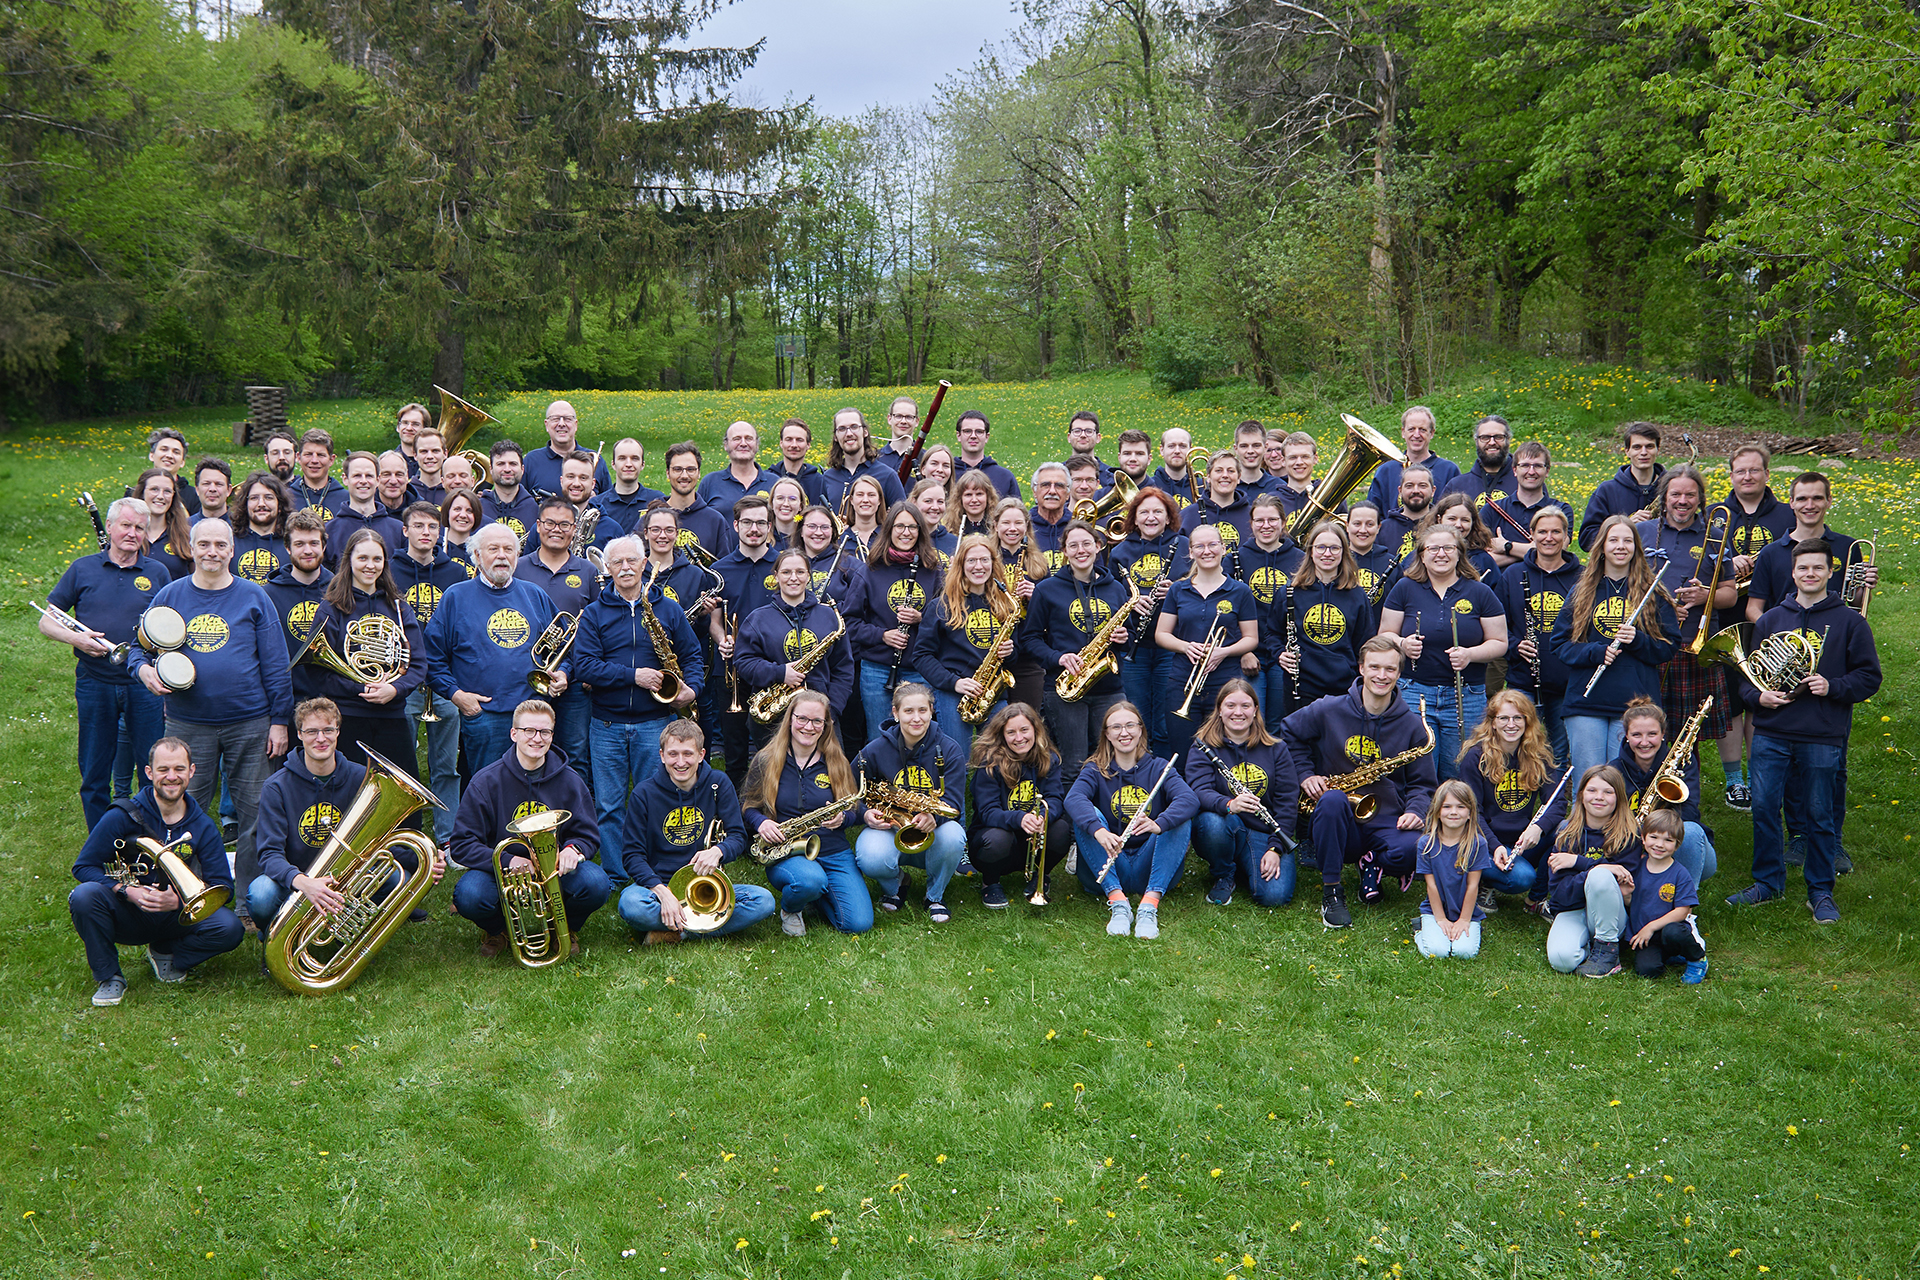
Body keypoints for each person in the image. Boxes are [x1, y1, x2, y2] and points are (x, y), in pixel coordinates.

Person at [126, 519, 292, 926]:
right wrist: (143, 671)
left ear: (232, 550)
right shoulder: (171, 595)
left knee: (256, 814)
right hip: (188, 724)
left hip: (250, 722)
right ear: (193, 548)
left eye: (220, 544)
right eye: (204, 544)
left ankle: (249, 904)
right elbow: (137, 648)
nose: (212, 551)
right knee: (181, 812)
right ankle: (191, 898)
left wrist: (280, 720)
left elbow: (276, 663)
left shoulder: (254, 596)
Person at [1724, 540, 1880, 921]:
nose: (1810, 574)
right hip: (1771, 731)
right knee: (1764, 807)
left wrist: (1833, 686)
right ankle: (1768, 882)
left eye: (1817, 568)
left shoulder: (1850, 622)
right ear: (1792, 573)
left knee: (1819, 813)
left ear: (1830, 572)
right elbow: (1748, 679)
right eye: (1803, 568)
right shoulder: (1770, 620)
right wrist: (1759, 698)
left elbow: (1869, 677)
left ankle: (1820, 891)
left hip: (1822, 733)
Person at [251, 697, 445, 944]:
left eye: (327, 730)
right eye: (311, 731)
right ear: (299, 734)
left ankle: (351, 933)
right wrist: (304, 883)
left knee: (399, 879)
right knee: (261, 894)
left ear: (338, 731)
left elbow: (381, 842)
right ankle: (275, 934)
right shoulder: (276, 786)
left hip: (348, 878)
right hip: (299, 880)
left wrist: (425, 860)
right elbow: (269, 854)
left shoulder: (363, 778)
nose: (320, 738)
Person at [68, 737, 243, 1005]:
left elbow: (223, 887)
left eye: (179, 769)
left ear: (191, 771)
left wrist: (179, 902)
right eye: (163, 769)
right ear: (149, 772)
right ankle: (109, 977)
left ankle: (168, 952)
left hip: (176, 916)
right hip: (130, 912)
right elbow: (83, 866)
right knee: (84, 896)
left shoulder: (203, 825)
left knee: (230, 928)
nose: (171, 777)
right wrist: (126, 891)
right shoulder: (122, 816)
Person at [1282, 637, 1438, 928]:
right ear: (1361, 668)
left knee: (1415, 848)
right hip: (1337, 818)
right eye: (1375, 667)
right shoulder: (1329, 708)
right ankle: (1332, 891)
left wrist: (1416, 810)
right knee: (1331, 800)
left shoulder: (1411, 725)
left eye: (1390, 669)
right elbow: (1289, 733)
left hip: (1387, 818)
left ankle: (1372, 862)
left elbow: (1423, 783)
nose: (1382, 675)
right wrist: (1306, 774)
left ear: (1399, 673)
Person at [575, 534, 703, 883]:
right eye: (617, 562)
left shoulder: (669, 609)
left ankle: (656, 871)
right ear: (607, 568)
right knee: (609, 805)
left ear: (645, 563)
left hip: (656, 723)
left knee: (657, 801)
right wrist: (634, 676)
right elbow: (584, 666)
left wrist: (692, 689)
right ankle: (616, 875)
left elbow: (692, 655)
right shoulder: (594, 613)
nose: (626, 568)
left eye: (632, 560)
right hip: (606, 724)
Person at [42, 495, 170, 830]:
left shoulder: (158, 572)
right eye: (126, 525)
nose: (132, 533)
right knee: (94, 769)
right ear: (109, 527)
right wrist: (77, 639)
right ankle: (101, 840)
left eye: (139, 528)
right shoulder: (82, 568)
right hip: (94, 682)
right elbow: (46, 621)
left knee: (151, 767)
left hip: (143, 684)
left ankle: (148, 837)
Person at [449, 698, 608, 958]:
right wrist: (508, 860)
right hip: (502, 871)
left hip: (555, 868)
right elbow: (462, 844)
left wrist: (574, 849)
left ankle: (564, 927)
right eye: (529, 731)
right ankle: (497, 930)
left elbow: (588, 834)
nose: (537, 738)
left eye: (544, 732)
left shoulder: (570, 780)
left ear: (552, 736)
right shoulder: (485, 781)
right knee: (469, 895)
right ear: (514, 734)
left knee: (596, 883)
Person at [614, 718, 774, 943]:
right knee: (631, 904)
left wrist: (718, 851)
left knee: (763, 901)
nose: (680, 762)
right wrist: (663, 893)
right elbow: (632, 855)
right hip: (660, 885)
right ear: (662, 755)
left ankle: (678, 931)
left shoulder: (718, 783)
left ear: (701, 755)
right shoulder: (643, 793)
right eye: (673, 754)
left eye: (688, 754)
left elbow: (738, 836)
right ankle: (701, 924)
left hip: (705, 881)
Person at [424, 523, 562, 773]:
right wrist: (457, 695)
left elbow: (564, 647)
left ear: (517, 555)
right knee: (486, 787)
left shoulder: (535, 595)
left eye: (508, 549)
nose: (502, 556)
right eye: (493, 549)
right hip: (484, 716)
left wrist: (563, 673)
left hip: (533, 715)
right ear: (477, 555)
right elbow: (432, 658)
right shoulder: (455, 597)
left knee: (536, 785)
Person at [1549, 514, 1677, 782]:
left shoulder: (1653, 592)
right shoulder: (1581, 591)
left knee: (1624, 784)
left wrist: (1638, 640)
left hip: (1635, 704)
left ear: (1636, 548)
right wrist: (1595, 652)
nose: (1620, 546)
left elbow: (1668, 647)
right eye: (1613, 540)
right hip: (1586, 702)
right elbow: (1560, 644)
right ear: (1602, 547)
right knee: (1589, 782)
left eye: (1627, 541)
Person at [302, 529, 427, 796]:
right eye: (363, 558)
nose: (370, 566)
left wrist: (394, 689)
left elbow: (418, 665)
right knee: (349, 795)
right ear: (349, 560)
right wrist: (361, 688)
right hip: (348, 717)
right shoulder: (332, 608)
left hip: (392, 716)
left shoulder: (399, 608)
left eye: (377, 559)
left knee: (401, 794)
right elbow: (317, 671)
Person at [1377, 525, 1508, 780]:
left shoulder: (1480, 592)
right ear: (1422, 555)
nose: (1441, 554)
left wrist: (1470, 655)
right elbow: (1385, 634)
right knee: (1416, 770)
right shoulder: (1404, 588)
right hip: (1414, 692)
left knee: (1459, 772)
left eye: (1448, 548)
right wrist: (1402, 644)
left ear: (1459, 553)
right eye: (1433, 548)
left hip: (1466, 695)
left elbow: (1500, 642)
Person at [1024, 520, 1147, 786]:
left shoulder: (1116, 588)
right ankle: (1073, 815)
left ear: (1098, 546)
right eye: (1073, 545)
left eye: (1086, 544)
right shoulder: (1047, 589)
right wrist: (1059, 657)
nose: (1081, 550)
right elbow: (1030, 639)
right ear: (1064, 551)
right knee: (1074, 765)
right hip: (1065, 688)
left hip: (1109, 688)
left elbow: (1128, 637)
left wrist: (1124, 638)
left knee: (1116, 760)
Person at [1065, 696, 1199, 939]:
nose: (1124, 733)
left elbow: (1189, 799)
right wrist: (1099, 831)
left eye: (1130, 725)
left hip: (1151, 867)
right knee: (1088, 815)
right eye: (1116, 727)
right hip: (1107, 866)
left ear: (1140, 730)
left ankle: (1149, 905)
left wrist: (1159, 824)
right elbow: (1073, 799)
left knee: (1178, 819)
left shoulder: (1159, 767)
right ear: (1107, 734)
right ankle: (1118, 903)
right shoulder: (1095, 768)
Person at [741, 692, 869, 936]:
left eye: (817, 721)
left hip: (834, 851)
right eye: (802, 719)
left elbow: (855, 808)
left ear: (826, 724)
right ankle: (791, 908)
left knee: (858, 924)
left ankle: (815, 897)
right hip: (787, 851)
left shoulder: (836, 760)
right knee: (810, 881)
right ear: (790, 719)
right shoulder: (766, 759)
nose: (808, 727)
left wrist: (844, 818)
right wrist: (762, 823)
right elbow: (748, 806)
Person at [1714, 443, 1796, 812]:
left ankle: (1762, 774)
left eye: (1754, 470)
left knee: (1762, 698)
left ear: (1767, 474)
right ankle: (1735, 780)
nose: (1747, 477)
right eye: (1740, 471)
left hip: (1772, 618)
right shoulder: (1716, 516)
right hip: (1727, 620)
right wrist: (1729, 561)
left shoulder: (1786, 514)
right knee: (1731, 699)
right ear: (1731, 476)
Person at [852, 682, 968, 921]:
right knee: (869, 856)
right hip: (890, 827)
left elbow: (954, 802)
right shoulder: (874, 750)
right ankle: (896, 886)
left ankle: (934, 897)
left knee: (955, 836)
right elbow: (847, 790)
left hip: (934, 831)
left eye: (923, 710)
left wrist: (934, 817)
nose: (916, 718)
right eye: (908, 711)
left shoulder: (950, 749)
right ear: (895, 713)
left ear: (932, 711)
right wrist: (864, 813)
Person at [1184, 679, 1299, 909]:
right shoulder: (1203, 747)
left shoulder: (1276, 748)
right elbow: (1199, 791)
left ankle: (1245, 865)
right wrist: (1230, 805)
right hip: (1225, 825)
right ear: (1219, 710)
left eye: (1245, 706)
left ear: (1255, 710)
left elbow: (1287, 802)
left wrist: (1275, 848)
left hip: (1264, 832)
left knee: (1275, 896)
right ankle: (1224, 873)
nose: (1238, 712)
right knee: (1211, 822)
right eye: (1230, 705)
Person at [391, 501, 467, 841]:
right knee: (401, 763)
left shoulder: (455, 573)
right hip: (402, 679)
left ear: (441, 532)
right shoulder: (389, 571)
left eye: (432, 527)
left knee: (446, 765)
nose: (426, 532)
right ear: (405, 530)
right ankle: (403, 833)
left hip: (444, 678)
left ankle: (447, 836)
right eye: (418, 526)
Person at [1153, 522, 1260, 757]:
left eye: (1213, 544)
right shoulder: (1178, 590)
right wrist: (1186, 647)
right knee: (1181, 753)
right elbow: (1161, 634)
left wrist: (1224, 651)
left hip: (1225, 682)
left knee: (1225, 752)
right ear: (1191, 552)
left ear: (1223, 548)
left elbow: (1251, 638)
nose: (1207, 551)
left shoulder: (1240, 590)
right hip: (1182, 680)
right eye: (1199, 546)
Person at [908, 535, 1018, 758]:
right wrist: (955, 683)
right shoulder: (940, 606)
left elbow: (1015, 655)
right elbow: (921, 656)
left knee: (1000, 759)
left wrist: (1011, 652)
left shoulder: (1005, 604)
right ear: (960, 565)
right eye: (971, 561)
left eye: (985, 560)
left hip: (993, 691)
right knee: (958, 758)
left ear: (993, 564)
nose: (979, 566)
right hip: (953, 693)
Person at [736, 547, 855, 750]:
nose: (793, 578)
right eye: (786, 572)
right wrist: (780, 673)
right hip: (774, 716)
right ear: (776, 576)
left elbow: (843, 668)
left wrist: (832, 710)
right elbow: (744, 663)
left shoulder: (829, 616)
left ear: (809, 576)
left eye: (800, 572)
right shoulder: (758, 618)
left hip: (821, 718)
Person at [843, 501, 944, 737]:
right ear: (889, 529)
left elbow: (947, 621)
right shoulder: (869, 570)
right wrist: (883, 635)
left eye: (912, 527)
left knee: (919, 736)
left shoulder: (933, 570)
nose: (905, 532)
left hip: (920, 668)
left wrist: (922, 618)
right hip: (877, 669)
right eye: (899, 526)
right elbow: (849, 623)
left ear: (920, 531)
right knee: (880, 736)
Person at [1454, 690, 1558, 911]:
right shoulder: (1475, 757)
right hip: (1483, 842)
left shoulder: (1538, 755)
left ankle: (1536, 899)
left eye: (1518, 718)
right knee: (1521, 878)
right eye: (1503, 718)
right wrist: (1495, 846)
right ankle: (1483, 880)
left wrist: (1538, 828)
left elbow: (1557, 803)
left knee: (1566, 829)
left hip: (1522, 842)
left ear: (1527, 721)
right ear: (1493, 722)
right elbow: (1472, 812)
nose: (1511, 724)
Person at [966, 703, 1072, 908]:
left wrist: (1043, 817)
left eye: (1024, 730)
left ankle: (1040, 876)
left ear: (1035, 729)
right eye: (1011, 732)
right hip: (995, 843)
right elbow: (988, 812)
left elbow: (1055, 799)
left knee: (1061, 829)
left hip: (1031, 841)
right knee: (998, 838)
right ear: (1001, 735)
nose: (1019, 738)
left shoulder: (1048, 758)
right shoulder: (989, 763)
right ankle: (990, 882)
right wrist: (1020, 818)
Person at [1107, 485, 1188, 749]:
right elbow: (1111, 596)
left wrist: (1176, 589)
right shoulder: (1119, 552)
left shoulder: (1184, 546)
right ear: (1134, 517)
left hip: (1172, 645)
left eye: (1157, 512)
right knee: (1137, 714)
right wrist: (1131, 602)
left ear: (1168, 516)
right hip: (1135, 645)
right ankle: (1140, 766)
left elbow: (1198, 586)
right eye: (1144, 512)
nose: (1150, 518)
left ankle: (1163, 769)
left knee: (1165, 717)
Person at [1609, 696, 1717, 888]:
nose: (1644, 742)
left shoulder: (1682, 762)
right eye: (1636, 735)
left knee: (1691, 831)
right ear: (1626, 736)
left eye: (1652, 734)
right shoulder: (1614, 770)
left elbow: (1689, 811)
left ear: (1663, 734)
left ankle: (1684, 902)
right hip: (1632, 850)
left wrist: (1657, 839)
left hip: (1677, 845)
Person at [1501, 506, 1581, 766]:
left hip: (1567, 681)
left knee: (1559, 754)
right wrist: (1515, 646)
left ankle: (1555, 793)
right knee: (1518, 750)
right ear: (1532, 534)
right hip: (1524, 679)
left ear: (1567, 536)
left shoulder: (1582, 577)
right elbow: (1498, 625)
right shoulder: (1513, 575)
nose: (1549, 538)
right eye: (1542, 532)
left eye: (1556, 532)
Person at [1544, 765, 1642, 977]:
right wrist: (1600, 867)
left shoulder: (1629, 835)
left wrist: (1577, 863)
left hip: (1613, 917)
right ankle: (1590, 948)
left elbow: (1625, 889)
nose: (1599, 797)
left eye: (1608, 792)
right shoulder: (1565, 833)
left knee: (1600, 876)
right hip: (1573, 910)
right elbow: (1560, 895)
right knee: (1561, 960)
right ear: (1581, 795)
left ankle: (1608, 951)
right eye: (1592, 790)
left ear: (1619, 798)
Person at [1277, 519, 1374, 723]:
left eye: (1334, 548)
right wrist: (1279, 653)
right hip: (1301, 686)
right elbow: (1271, 633)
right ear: (1310, 551)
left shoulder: (1357, 595)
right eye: (1321, 547)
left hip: (1343, 687)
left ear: (1344, 552)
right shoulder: (1289, 591)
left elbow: (1364, 643)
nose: (1327, 554)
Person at [1626, 809, 1709, 982]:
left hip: (1669, 930)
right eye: (1654, 837)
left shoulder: (1680, 874)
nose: (1659, 844)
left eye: (1668, 840)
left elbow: (1682, 911)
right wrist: (1626, 895)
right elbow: (1632, 901)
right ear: (1643, 838)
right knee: (1647, 970)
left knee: (1673, 932)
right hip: (1648, 937)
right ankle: (1673, 955)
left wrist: (1651, 927)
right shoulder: (1636, 867)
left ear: (1677, 845)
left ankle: (1697, 959)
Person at [1413, 780, 1491, 960]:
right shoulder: (1426, 843)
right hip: (1435, 910)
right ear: (1437, 812)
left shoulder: (1478, 844)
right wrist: (1440, 919)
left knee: (1464, 953)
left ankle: (1470, 928)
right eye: (1447, 806)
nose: (1453, 812)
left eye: (1461, 807)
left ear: (1470, 813)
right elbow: (1431, 886)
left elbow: (1473, 886)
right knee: (1437, 952)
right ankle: (1420, 931)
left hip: (1466, 912)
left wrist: (1464, 920)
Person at [991, 498, 1050, 712]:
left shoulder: (1039, 563)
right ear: (995, 525)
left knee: (1027, 717)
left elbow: (1052, 611)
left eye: (1018, 523)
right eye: (1006, 523)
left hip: (1027, 656)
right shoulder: (985, 559)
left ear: (1027, 526)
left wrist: (1036, 595)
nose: (1012, 529)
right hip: (991, 649)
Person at [263, 509, 333, 675]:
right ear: (288, 547)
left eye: (314, 543)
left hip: (332, 688)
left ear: (324, 546)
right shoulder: (267, 595)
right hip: (286, 687)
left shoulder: (339, 590)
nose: (307, 551)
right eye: (299, 544)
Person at [1579, 423, 1667, 552]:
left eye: (1649, 446)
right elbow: (1586, 539)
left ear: (1658, 450)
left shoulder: (1672, 490)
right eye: (1637, 447)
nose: (1644, 452)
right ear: (1627, 451)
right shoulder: (1607, 491)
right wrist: (1624, 526)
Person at [1485, 441, 1571, 566]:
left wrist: (1506, 546)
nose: (1531, 472)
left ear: (1547, 471)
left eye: (1537, 466)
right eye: (1525, 465)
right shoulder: (1491, 509)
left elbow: (1558, 550)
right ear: (1515, 470)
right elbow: (1483, 561)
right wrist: (1535, 551)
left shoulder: (1561, 510)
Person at [1365, 405, 1461, 510]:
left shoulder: (1449, 470)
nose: (1416, 434)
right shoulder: (1386, 470)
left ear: (1432, 433)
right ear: (1403, 432)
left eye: (1422, 430)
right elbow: (1372, 511)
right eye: (1411, 429)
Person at [324, 451, 406, 566]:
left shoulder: (398, 530)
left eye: (369, 476)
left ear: (378, 480)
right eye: (357, 475)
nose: (363, 481)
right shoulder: (329, 532)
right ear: (345, 479)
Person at [819, 408, 907, 512]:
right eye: (842, 429)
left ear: (865, 432)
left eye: (854, 427)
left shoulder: (887, 475)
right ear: (835, 437)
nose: (849, 433)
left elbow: (903, 517)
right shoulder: (828, 477)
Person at [660, 442, 736, 560]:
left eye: (690, 469)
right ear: (668, 473)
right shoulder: (651, 518)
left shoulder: (715, 521)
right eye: (677, 469)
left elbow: (725, 567)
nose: (684, 475)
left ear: (699, 473)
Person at [523, 400, 611, 497]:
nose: (561, 424)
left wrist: (595, 500)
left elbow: (608, 501)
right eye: (555, 419)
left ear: (575, 424)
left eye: (567, 419)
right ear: (546, 425)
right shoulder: (531, 461)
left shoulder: (595, 460)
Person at [586, 437, 665, 537]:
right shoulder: (597, 505)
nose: (628, 464)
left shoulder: (657, 500)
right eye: (622, 458)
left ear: (642, 465)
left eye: (634, 458)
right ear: (613, 464)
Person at [1180, 450, 1254, 552]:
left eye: (1231, 471)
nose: (1225, 475)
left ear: (1239, 478)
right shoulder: (1187, 516)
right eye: (1219, 470)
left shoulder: (1253, 516)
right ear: (1208, 477)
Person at [1442, 414, 1516, 512]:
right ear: (1476, 441)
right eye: (1485, 437)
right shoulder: (1456, 486)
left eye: (1498, 437)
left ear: (1508, 440)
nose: (1492, 442)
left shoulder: (1524, 483)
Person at [698, 420, 778, 510]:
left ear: (757, 445)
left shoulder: (774, 482)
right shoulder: (710, 482)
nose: (743, 443)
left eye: (749, 438)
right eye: (737, 439)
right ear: (726, 445)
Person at [231, 473, 292, 584]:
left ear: (280, 505)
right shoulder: (230, 541)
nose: (261, 504)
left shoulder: (292, 542)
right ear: (245, 504)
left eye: (268, 497)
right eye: (254, 498)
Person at [133, 467, 192, 582]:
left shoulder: (187, 535)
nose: (160, 496)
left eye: (167, 491)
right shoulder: (127, 534)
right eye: (154, 489)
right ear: (142, 492)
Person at [951, 411, 1022, 499]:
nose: (973, 436)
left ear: (987, 437)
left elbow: (1016, 507)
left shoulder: (1004, 477)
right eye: (967, 431)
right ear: (958, 435)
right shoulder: (948, 475)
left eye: (979, 432)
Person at [481, 440, 541, 543]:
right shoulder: (478, 508)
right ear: (491, 469)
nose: (507, 469)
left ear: (522, 469)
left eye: (513, 464)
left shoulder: (536, 509)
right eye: (501, 464)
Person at [1345, 500, 1398, 616]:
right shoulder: (1336, 561)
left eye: (1370, 524)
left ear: (1378, 527)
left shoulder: (1391, 564)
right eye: (1357, 524)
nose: (1363, 530)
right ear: (1347, 526)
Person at [1380, 465, 1434, 562]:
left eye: (1422, 486)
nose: (1416, 491)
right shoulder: (1382, 530)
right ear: (1400, 491)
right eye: (1409, 486)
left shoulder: (1441, 525)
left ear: (1433, 491)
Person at [290, 428, 348, 516]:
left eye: (321, 455)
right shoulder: (286, 498)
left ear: (331, 460)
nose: (314, 460)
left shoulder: (347, 500)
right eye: (308, 454)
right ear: (298, 457)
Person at [143, 428, 200, 517]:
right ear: (151, 455)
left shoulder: (194, 496)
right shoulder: (136, 492)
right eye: (164, 449)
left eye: (176, 452)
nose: (169, 455)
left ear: (182, 462)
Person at [1028, 462, 1073, 568]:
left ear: (1068, 494)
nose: (1052, 491)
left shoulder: (1078, 526)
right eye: (1045, 485)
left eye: (1059, 486)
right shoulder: (1023, 527)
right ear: (1034, 492)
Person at [770, 418, 825, 501]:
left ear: (808, 445)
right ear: (781, 443)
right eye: (789, 439)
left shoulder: (820, 482)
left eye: (799, 440)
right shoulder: (767, 479)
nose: (794, 445)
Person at [1146, 427, 1198, 510]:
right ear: (1162, 450)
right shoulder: (1150, 486)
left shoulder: (1202, 487)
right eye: (1171, 446)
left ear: (1190, 450)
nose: (1177, 451)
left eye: (1182, 446)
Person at [943, 470, 999, 543]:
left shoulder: (998, 525)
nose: (974, 500)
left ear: (988, 497)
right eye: (968, 495)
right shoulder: (947, 526)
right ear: (960, 498)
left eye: (979, 494)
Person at [439, 488, 484, 577]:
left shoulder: (482, 553)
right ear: (447, 513)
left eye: (469, 511)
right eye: (457, 509)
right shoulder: (434, 549)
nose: (463, 515)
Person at [1064, 410, 1114, 489]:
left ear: (1098, 438)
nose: (1083, 435)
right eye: (1077, 431)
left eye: (1089, 431)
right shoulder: (1057, 473)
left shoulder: (1110, 476)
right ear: (1069, 437)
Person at [1273, 429, 1317, 513]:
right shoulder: (1272, 501)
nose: (1299, 462)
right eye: (1293, 457)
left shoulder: (1330, 499)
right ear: (1283, 461)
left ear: (1315, 459)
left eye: (1305, 456)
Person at [874, 397, 922, 472]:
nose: (903, 421)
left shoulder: (926, 458)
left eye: (909, 417)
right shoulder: (875, 459)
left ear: (917, 421)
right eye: (898, 416)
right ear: (889, 419)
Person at [769, 474, 808, 545]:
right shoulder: (761, 537)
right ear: (772, 503)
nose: (786, 504)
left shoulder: (808, 539)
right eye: (780, 498)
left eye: (792, 499)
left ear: (800, 506)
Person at [192, 457, 232, 525]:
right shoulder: (185, 527)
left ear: (229, 490)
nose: (212, 489)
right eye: (206, 484)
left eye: (218, 484)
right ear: (197, 489)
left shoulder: (242, 527)